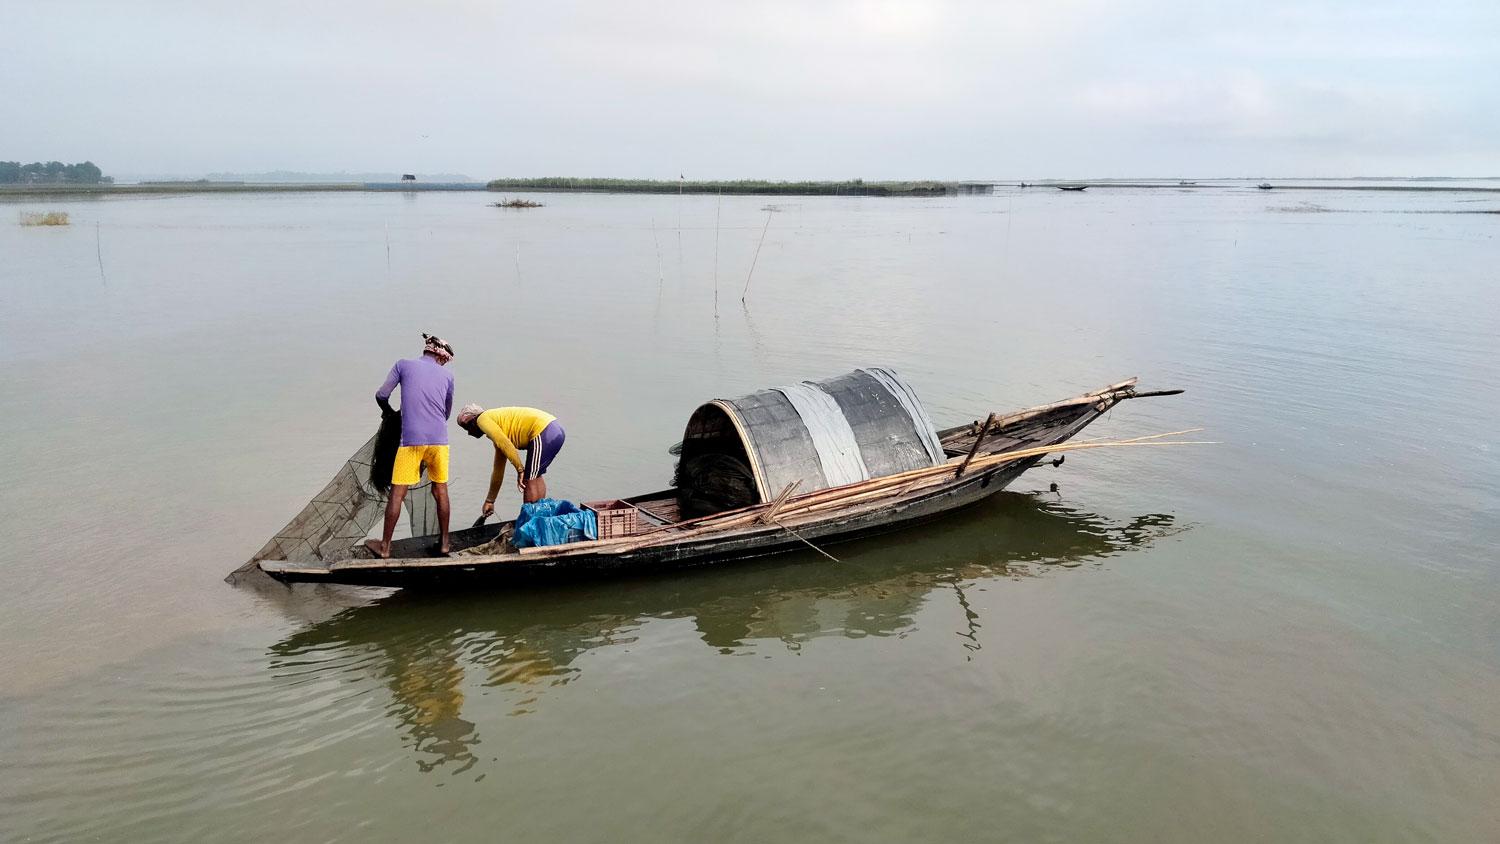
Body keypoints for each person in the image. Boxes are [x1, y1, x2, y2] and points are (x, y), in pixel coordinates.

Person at [367, 333, 455, 558]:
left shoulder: (403, 365)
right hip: (439, 442)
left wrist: (389, 414)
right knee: (440, 490)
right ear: (440, 357)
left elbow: (381, 394)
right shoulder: (447, 376)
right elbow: (446, 412)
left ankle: (385, 547)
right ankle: (445, 544)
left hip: (412, 441)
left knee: (397, 492)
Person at [455, 404, 566, 513]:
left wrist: (520, 469)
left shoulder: (482, 419)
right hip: (553, 429)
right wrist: (490, 501)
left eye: (467, 427)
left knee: (529, 479)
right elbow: (498, 470)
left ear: (473, 419)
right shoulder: (498, 428)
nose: (469, 433)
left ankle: (529, 521)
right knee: (535, 476)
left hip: (544, 430)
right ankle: (538, 516)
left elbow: (505, 444)